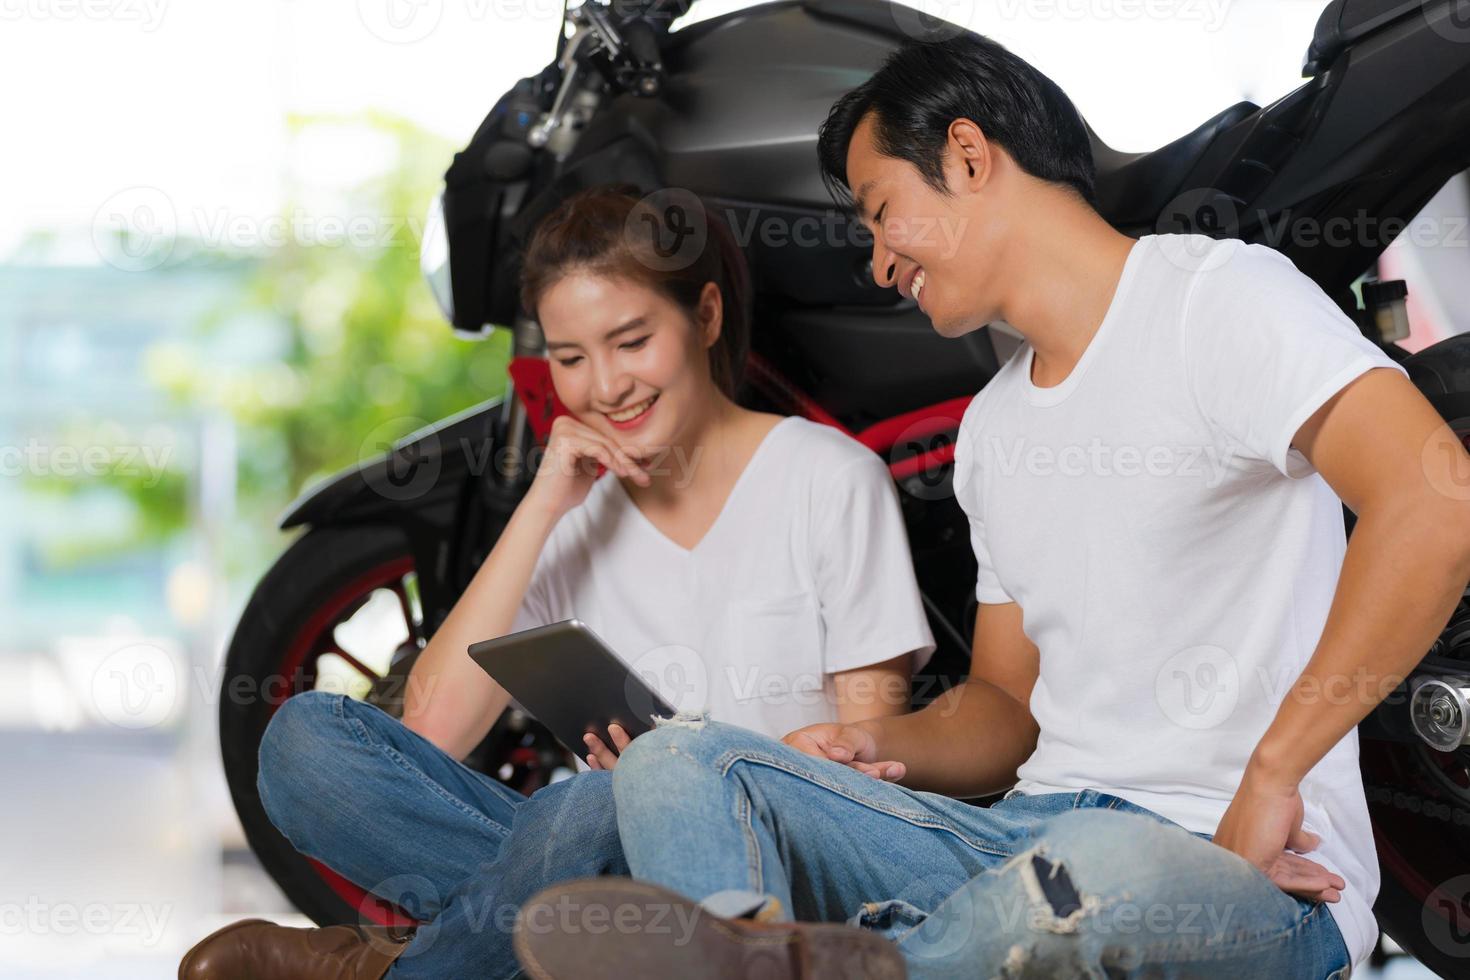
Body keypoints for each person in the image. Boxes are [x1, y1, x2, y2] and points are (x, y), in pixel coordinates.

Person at [513, 33, 1470, 980]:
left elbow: (1436, 501)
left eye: (883, 212)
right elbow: (1006, 711)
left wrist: (1275, 771)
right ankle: (788, 957)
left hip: (1216, 859)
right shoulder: (993, 431)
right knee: (681, 763)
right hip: (1022, 835)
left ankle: (836, 963)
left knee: (1084, 878)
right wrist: (878, 742)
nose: (879, 262)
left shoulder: (1214, 300)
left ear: (969, 156)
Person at [176, 184, 937, 979]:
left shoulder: (828, 479)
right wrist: (542, 507)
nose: (605, 387)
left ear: (706, 316)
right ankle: (595, 943)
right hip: (590, 861)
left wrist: (675, 789)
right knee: (305, 747)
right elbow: (429, 734)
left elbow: (866, 765)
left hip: (766, 870)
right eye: (571, 359)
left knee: (604, 799)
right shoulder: (573, 518)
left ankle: (390, 970)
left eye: (632, 341)